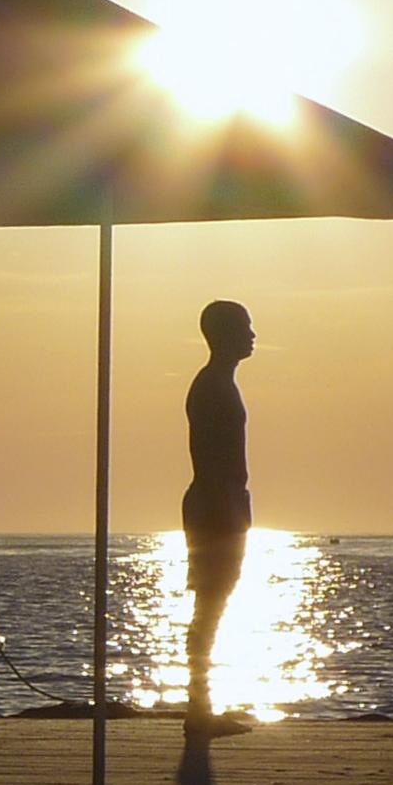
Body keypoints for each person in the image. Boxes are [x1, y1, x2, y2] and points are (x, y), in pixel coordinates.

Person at [182, 300, 255, 731]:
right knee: (208, 603)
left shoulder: (222, 384)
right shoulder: (212, 386)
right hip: (215, 506)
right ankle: (198, 709)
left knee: (213, 603)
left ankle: (201, 705)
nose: (253, 334)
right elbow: (211, 459)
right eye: (245, 327)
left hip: (225, 504)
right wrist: (229, 513)